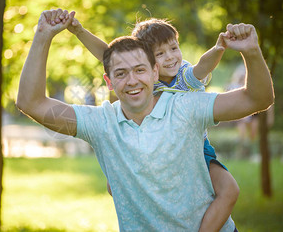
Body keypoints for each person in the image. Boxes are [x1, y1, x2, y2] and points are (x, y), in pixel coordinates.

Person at [16, 9, 274, 231]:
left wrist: (250, 51)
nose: (131, 80)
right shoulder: (101, 123)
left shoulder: (187, 106)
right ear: (109, 82)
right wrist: (43, 36)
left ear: (154, 72)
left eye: (140, 70)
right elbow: (32, 103)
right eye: (121, 73)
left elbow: (257, 99)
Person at [66, 17, 241, 231]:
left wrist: (219, 47)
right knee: (116, 185)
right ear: (150, 61)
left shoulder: (184, 76)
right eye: (160, 53)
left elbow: (203, 66)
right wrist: (80, 31)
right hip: (149, 150)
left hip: (190, 149)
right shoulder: (145, 77)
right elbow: (108, 55)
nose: (170, 57)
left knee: (229, 188)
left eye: (174, 48)